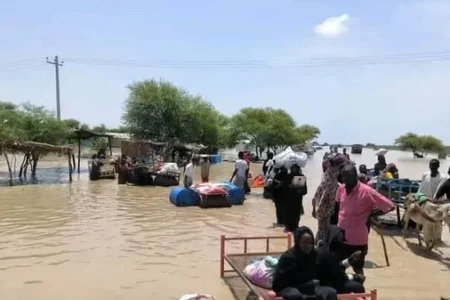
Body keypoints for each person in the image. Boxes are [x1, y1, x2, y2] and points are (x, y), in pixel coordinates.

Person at [336, 164, 395, 274]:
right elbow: (339, 207)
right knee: (338, 266)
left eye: (347, 176)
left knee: (358, 269)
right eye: (343, 176)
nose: (344, 179)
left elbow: (390, 206)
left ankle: (359, 289)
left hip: (357, 239)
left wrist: (371, 214)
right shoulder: (341, 189)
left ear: (355, 176)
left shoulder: (367, 191)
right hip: (341, 236)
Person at [272, 226, 338, 300]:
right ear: (297, 242)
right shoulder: (288, 257)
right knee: (295, 295)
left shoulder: (315, 255)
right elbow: (278, 284)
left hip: (310, 287)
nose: (308, 246)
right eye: (304, 242)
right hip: (290, 288)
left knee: (330, 292)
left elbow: (323, 276)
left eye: (310, 243)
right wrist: (304, 285)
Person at [316, 225, 366, 294]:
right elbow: (339, 276)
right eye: (338, 241)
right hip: (327, 283)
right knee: (359, 287)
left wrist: (350, 260)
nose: (341, 243)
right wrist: (355, 277)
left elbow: (336, 268)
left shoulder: (329, 248)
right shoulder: (327, 253)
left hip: (332, 278)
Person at [312, 153, 348, 243]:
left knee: (321, 232)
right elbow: (332, 202)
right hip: (327, 213)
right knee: (324, 235)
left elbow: (315, 196)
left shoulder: (326, 176)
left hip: (321, 211)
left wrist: (314, 209)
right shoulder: (333, 182)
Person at [280, 164, 307, 232]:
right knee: (288, 214)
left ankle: (295, 228)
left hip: (297, 200)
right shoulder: (287, 177)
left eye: (295, 168)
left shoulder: (301, 176)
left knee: (296, 215)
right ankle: (288, 227)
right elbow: (283, 188)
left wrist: (299, 190)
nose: (294, 169)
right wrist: (289, 186)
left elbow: (305, 190)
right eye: (293, 168)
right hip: (288, 200)